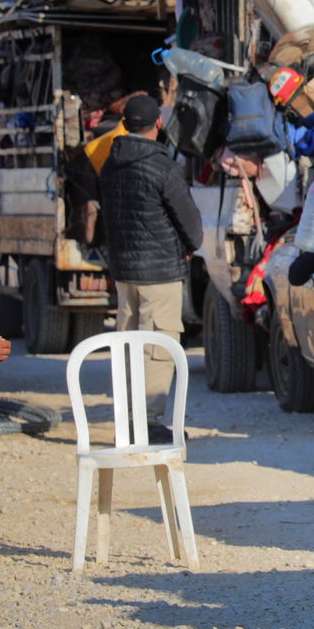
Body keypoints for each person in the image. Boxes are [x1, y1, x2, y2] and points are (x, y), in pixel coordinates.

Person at [99, 94, 202, 443]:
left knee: (128, 343)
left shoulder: (110, 164)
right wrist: (189, 246)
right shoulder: (163, 167)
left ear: (124, 124)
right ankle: (149, 422)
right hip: (159, 271)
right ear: (158, 123)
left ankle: (129, 421)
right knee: (158, 345)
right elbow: (191, 224)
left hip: (124, 271)